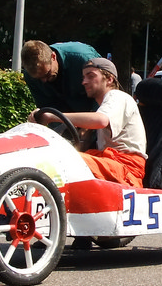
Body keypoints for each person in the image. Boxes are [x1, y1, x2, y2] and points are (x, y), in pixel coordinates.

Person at [31, 58, 146, 187]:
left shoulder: (117, 96)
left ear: (109, 79)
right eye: (84, 77)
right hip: (111, 165)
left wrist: (52, 117)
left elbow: (101, 120)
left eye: (90, 76)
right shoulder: (105, 106)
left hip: (125, 169)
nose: (84, 82)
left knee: (62, 159)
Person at [21, 39, 101, 113]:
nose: (44, 80)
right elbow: (48, 109)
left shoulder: (84, 59)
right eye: (39, 79)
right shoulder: (29, 75)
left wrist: (91, 121)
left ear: (53, 57)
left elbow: (103, 95)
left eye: (47, 74)